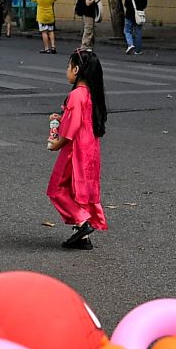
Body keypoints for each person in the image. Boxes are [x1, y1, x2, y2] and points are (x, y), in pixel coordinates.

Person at [48, 48, 108, 250]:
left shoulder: (76, 95)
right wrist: (60, 117)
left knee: (56, 189)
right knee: (77, 191)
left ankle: (82, 223)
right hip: (89, 149)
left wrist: (57, 143)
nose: (66, 70)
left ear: (76, 69)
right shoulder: (91, 93)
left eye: (68, 66)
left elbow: (71, 128)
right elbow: (80, 120)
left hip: (74, 150)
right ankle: (82, 237)